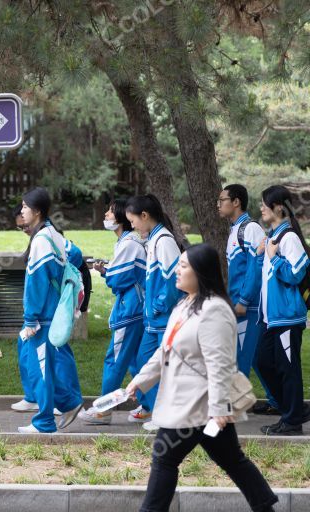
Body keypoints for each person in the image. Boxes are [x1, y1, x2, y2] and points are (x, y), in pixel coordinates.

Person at [126, 243, 278, 512]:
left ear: (201, 272)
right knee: (232, 459)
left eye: (184, 266)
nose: (177, 270)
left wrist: (219, 408)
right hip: (193, 405)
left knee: (164, 456)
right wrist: (141, 380)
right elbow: (166, 350)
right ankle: (265, 505)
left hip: (199, 405)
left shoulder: (214, 310)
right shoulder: (186, 304)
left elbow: (219, 364)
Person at [16, 187, 83, 434]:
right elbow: (75, 254)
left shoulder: (41, 240)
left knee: (40, 368)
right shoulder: (53, 234)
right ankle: (70, 403)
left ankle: (45, 422)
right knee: (49, 364)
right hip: (52, 313)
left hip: (42, 317)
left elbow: (36, 282)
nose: (21, 211)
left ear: (37, 211)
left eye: (24, 207)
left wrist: (30, 319)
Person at [79, 199, 146, 425]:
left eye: (109, 211)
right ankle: (149, 406)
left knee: (114, 359)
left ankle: (103, 411)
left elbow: (118, 280)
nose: (106, 215)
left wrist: (107, 273)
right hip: (136, 309)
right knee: (135, 361)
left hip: (130, 311)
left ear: (121, 217)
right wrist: (108, 271)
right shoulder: (126, 242)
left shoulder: (128, 244)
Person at [217, 184, 279, 416]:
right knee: (253, 356)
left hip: (249, 306)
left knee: (241, 356)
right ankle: (277, 400)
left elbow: (256, 266)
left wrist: (243, 300)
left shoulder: (250, 229)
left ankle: (233, 408)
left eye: (222, 200)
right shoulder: (236, 230)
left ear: (236, 202)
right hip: (241, 304)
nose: (218, 204)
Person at [255, 185, 310, 435]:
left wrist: (275, 258)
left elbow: (297, 273)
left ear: (278, 207)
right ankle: (293, 410)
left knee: (289, 370)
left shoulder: (289, 238)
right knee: (264, 362)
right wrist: (263, 255)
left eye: (264, 203)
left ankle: (292, 421)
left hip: (287, 317)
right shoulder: (274, 237)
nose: (261, 207)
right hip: (272, 319)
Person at [125, 194, 182, 431]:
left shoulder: (164, 241)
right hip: (153, 321)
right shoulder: (154, 239)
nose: (132, 226)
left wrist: (158, 306)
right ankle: (152, 408)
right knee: (142, 362)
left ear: (145, 216)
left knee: (164, 369)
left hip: (163, 319)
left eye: (133, 221)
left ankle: (164, 417)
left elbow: (173, 280)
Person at [10, 203, 38, 413]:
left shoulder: (47, 238)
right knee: (25, 351)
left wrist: (32, 318)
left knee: (42, 357)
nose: (24, 229)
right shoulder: (37, 239)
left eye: (24, 225)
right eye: (20, 228)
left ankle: (57, 402)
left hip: (40, 314)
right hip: (33, 312)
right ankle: (32, 396)